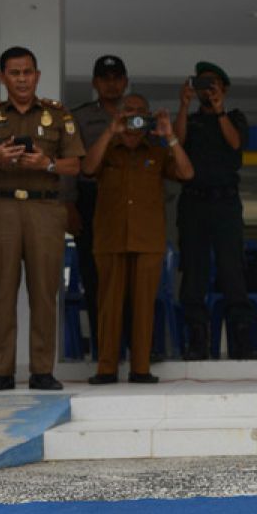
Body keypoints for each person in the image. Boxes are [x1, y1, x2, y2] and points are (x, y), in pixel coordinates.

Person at [0, 46, 84, 391]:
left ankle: (42, 370)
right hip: (0, 207)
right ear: (2, 78)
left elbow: (75, 165)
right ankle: (1, 371)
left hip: (45, 208)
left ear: (37, 75)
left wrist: (45, 164)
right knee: (1, 289)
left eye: (27, 72)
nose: (22, 79)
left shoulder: (58, 115)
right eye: (14, 73)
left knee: (45, 289)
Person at [83, 94, 194, 383]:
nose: (133, 118)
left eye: (139, 113)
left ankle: (140, 367)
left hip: (147, 239)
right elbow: (87, 167)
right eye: (128, 112)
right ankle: (106, 368)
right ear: (119, 114)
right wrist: (111, 130)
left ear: (148, 118)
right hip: (110, 237)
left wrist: (169, 136)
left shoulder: (156, 151)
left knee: (144, 305)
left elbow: (186, 172)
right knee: (108, 304)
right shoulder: (108, 147)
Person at [173, 60, 257, 360]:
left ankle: (242, 341)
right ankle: (197, 341)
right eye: (201, 85)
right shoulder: (191, 120)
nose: (206, 91)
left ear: (223, 88)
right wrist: (183, 107)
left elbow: (235, 144)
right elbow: (177, 144)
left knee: (232, 269)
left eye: (212, 85)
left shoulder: (234, 117)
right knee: (194, 271)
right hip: (194, 202)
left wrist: (220, 109)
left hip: (225, 203)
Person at [66, 54, 131, 356]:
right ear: (95, 83)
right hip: (92, 199)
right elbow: (70, 162)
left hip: (131, 201)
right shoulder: (80, 118)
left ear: (125, 82)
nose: (111, 84)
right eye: (105, 78)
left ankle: (136, 346)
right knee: (96, 277)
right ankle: (105, 349)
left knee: (134, 276)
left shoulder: (137, 114)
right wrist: (69, 205)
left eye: (117, 78)